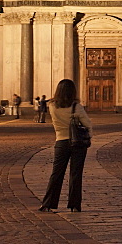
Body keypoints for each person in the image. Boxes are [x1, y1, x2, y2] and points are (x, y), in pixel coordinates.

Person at [39, 79, 92, 213]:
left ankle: (48, 203)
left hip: (61, 142)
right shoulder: (76, 107)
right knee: (75, 173)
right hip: (77, 143)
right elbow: (87, 124)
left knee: (56, 173)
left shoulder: (52, 106)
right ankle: (74, 205)